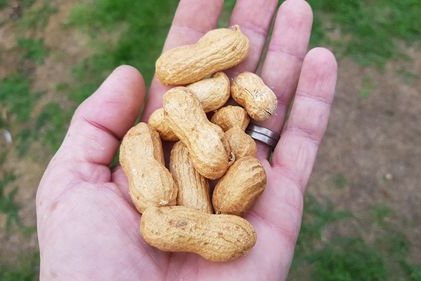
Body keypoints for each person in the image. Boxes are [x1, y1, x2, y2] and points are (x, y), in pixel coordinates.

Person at [36, 0, 337, 280]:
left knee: (207, 151)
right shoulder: (184, 139)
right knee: (189, 149)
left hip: (205, 163)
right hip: (190, 174)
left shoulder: (213, 125)